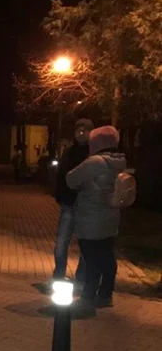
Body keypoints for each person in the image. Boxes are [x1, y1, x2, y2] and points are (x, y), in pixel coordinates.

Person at [66, 126, 126, 313]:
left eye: (92, 142)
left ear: (101, 142)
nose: (90, 145)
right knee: (107, 257)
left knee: (91, 258)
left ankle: (88, 298)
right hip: (110, 216)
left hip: (92, 217)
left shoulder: (95, 162)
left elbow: (70, 179)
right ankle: (105, 295)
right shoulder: (120, 161)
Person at [53, 119, 93, 283]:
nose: (81, 133)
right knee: (62, 241)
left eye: (85, 130)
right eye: (79, 130)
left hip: (86, 205)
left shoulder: (93, 154)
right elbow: (61, 175)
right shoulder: (69, 152)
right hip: (69, 203)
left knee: (85, 243)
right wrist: (60, 195)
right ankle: (58, 274)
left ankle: (81, 278)